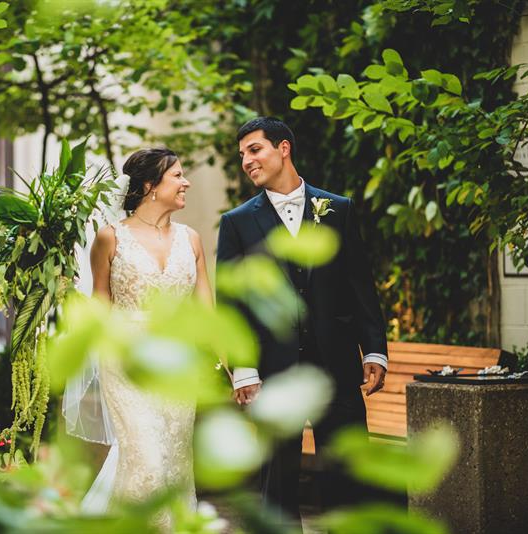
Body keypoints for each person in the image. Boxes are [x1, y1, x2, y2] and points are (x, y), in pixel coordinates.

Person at [216, 117, 389, 518]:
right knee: (277, 479)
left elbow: (359, 285)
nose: (246, 161)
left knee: (347, 474)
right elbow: (230, 303)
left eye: (254, 149)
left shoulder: (338, 209)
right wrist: (242, 369)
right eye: (241, 154)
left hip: (337, 366)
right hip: (273, 372)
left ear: (283, 148)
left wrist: (375, 351)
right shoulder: (237, 223)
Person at [75, 148, 213, 527]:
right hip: (126, 364)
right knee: (147, 461)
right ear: (151, 185)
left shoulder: (193, 240)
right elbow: (99, 308)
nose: (186, 183)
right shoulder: (110, 238)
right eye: (178, 176)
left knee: (173, 462)